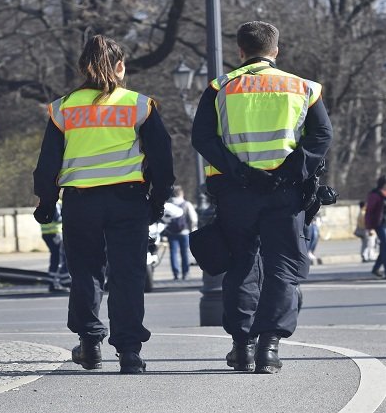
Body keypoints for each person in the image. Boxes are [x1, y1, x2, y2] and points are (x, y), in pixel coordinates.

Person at [191, 21, 332, 374]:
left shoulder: (219, 87)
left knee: (240, 265)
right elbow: (320, 136)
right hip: (284, 193)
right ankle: (269, 348)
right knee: (282, 269)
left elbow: (203, 139)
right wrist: (286, 173)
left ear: (240, 51)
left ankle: (242, 347)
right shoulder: (303, 87)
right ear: (276, 51)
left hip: (236, 192)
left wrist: (242, 172)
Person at [33, 35, 175, 374]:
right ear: (121, 67)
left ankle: (90, 343)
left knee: (85, 273)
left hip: (81, 203)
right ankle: (129, 352)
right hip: (128, 201)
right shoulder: (140, 105)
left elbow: (48, 163)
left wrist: (46, 201)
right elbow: (162, 158)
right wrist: (157, 199)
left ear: (82, 67)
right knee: (127, 275)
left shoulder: (63, 108)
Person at [164, 185, 198, 280]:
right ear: (181, 193)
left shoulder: (167, 205)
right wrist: (192, 230)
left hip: (171, 232)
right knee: (185, 253)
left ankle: (175, 273)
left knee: (173, 253)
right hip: (184, 232)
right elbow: (193, 218)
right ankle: (185, 273)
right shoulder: (186, 204)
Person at [40, 201, 71, 292]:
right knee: (58, 258)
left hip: (48, 233)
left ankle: (56, 282)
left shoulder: (44, 201)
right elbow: (57, 218)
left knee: (56, 257)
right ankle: (57, 283)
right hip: (55, 233)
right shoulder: (54, 202)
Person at [365, 176, 386, 278]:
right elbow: (369, 211)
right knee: (385, 244)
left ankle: (376, 268)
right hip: (380, 224)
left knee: (384, 248)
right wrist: (369, 227)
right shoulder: (375, 195)